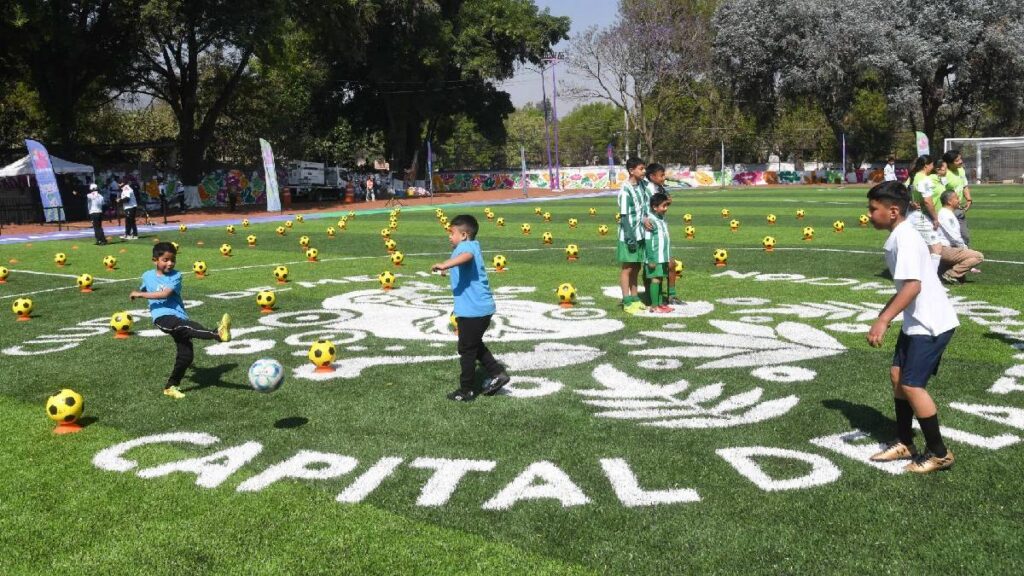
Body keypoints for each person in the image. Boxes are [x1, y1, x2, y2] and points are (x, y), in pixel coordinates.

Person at [865, 180, 958, 474]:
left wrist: (883, 319)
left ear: (893, 211)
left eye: (873, 209)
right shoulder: (899, 235)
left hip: (931, 323)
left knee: (912, 384)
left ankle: (940, 453)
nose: (869, 214)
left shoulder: (904, 239)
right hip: (916, 321)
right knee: (898, 376)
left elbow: (913, 287)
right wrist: (885, 313)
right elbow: (907, 285)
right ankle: (905, 442)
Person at [130, 242, 231, 399]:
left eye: (173, 260)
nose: (170, 263)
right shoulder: (147, 275)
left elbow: (165, 294)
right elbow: (146, 287)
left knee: (186, 356)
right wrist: (138, 292)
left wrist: (140, 294)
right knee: (184, 326)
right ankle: (217, 333)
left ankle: (170, 387)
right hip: (162, 317)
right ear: (154, 260)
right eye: (165, 260)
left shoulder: (176, 276)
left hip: (179, 315)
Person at [431, 215, 510, 402]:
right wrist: (448, 270)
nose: (449, 236)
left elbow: (466, 257)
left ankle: (466, 390)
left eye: (452, 233)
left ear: (464, 235)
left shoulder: (466, 248)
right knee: (473, 344)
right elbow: (464, 263)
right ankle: (498, 373)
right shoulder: (470, 245)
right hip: (477, 309)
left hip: (473, 310)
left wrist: (445, 264)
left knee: (466, 349)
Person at [617, 157, 653, 314]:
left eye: (644, 168)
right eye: (641, 168)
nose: (644, 171)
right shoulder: (625, 190)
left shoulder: (643, 185)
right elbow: (624, 217)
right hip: (629, 235)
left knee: (637, 267)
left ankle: (635, 298)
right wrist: (630, 237)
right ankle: (626, 301)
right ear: (631, 171)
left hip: (641, 234)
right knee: (627, 268)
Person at [936, 190, 984, 284]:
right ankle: (950, 274)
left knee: (962, 277)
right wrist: (965, 248)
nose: (959, 200)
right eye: (957, 198)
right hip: (945, 249)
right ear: (949, 201)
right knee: (979, 256)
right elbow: (955, 237)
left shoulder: (946, 213)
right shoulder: (947, 215)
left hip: (943, 248)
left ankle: (942, 271)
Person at [905, 155, 942, 271]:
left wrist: (910, 201)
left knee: (917, 247)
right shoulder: (924, 179)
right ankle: (932, 279)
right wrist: (935, 218)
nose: (933, 167)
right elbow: (927, 201)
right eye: (932, 165)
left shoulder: (914, 176)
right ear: (927, 165)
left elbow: (903, 192)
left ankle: (914, 273)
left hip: (911, 216)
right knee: (936, 247)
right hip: (921, 217)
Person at [644, 192, 674, 313]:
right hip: (655, 258)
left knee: (660, 279)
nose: (666, 208)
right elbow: (647, 241)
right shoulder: (650, 221)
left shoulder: (662, 220)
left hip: (663, 257)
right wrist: (651, 259)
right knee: (655, 280)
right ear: (654, 207)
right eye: (663, 206)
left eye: (666, 205)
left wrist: (669, 256)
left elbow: (666, 240)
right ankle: (654, 306)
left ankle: (660, 304)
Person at [942, 149, 973, 246]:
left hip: (958, 209)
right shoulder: (944, 174)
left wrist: (968, 199)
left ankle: (964, 255)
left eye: (960, 159)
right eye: (957, 160)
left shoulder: (961, 170)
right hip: (947, 210)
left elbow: (964, 186)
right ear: (949, 163)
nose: (961, 161)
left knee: (965, 236)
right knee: (950, 238)